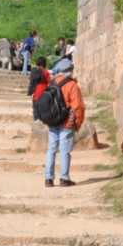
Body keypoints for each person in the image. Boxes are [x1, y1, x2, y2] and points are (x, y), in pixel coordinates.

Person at [44, 57, 85, 187]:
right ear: (69, 70)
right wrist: (77, 123)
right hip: (67, 122)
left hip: (52, 121)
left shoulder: (51, 83)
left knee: (51, 150)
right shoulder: (72, 85)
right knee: (64, 150)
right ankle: (64, 178)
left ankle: (48, 179)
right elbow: (77, 106)